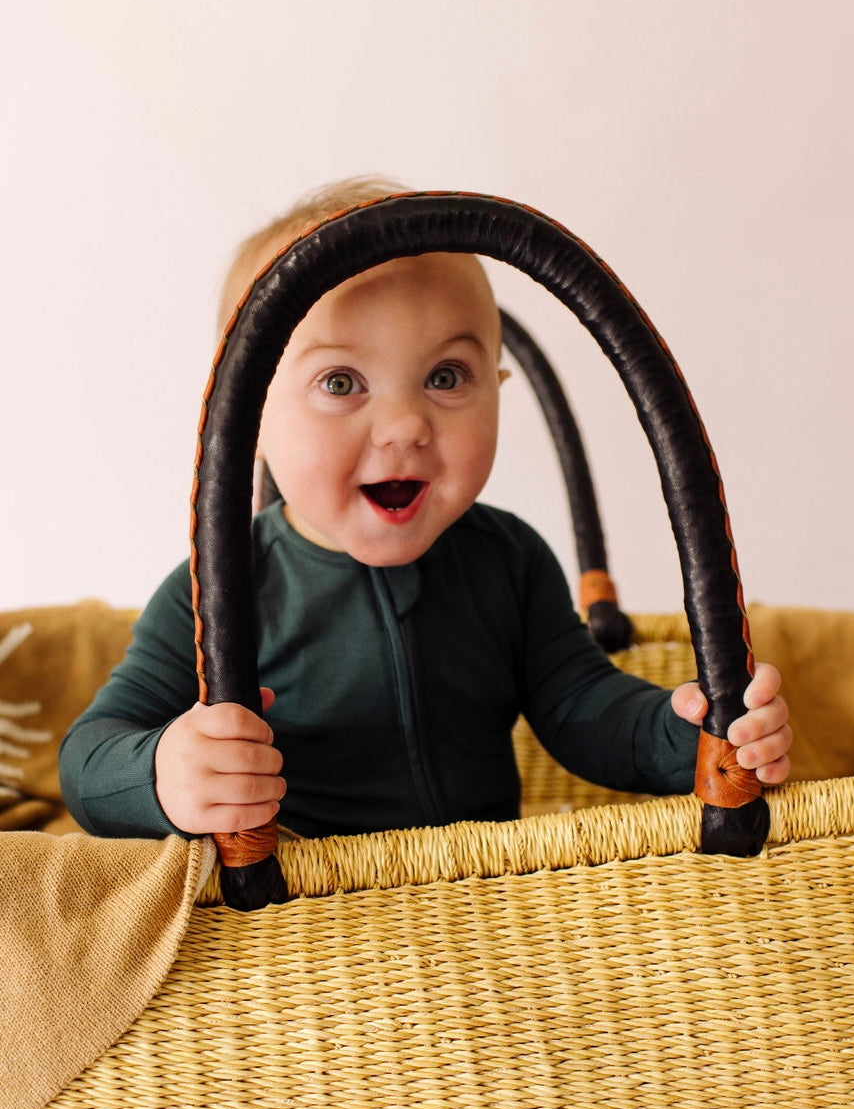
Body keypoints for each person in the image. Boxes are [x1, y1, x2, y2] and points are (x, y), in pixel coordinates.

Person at [59, 177, 791, 841]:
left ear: (499, 387)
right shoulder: (220, 591)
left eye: (446, 376)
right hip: (302, 932)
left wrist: (690, 728)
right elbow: (87, 762)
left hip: (477, 907)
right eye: (341, 382)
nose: (405, 425)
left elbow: (583, 710)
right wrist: (162, 774)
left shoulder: (509, 560)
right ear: (246, 418)